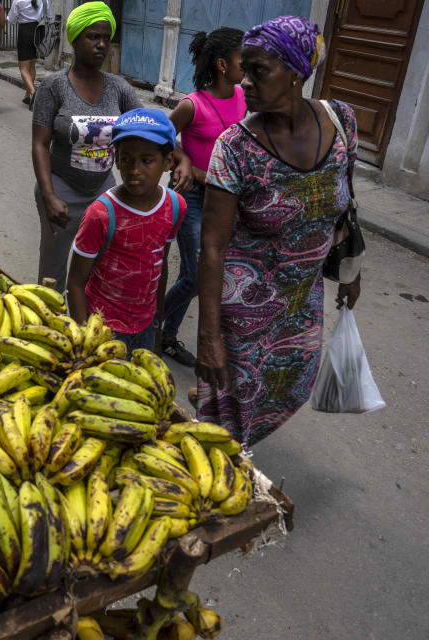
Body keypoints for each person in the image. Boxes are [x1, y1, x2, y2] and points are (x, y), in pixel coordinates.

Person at [195, 16, 360, 448]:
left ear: (295, 72)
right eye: (243, 70)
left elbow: (343, 208)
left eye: (258, 71)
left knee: (288, 387)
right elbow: (211, 247)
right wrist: (209, 337)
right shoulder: (234, 147)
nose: (244, 83)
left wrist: (350, 273)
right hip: (243, 310)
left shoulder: (342, 121)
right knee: (231, 416)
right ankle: (228, 477)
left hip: (301, 304)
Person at [160, 28, 246, 367]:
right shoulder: (191, 104)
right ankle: (150, 326)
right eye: (243, 59)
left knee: (211, 275)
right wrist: (185, 162)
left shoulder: (243, 95)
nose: (249, 67)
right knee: (197, 276)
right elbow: (162, 137)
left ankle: (165, 334)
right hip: (193, 197)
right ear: (223, 64)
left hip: (227, 200)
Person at [66, 109, 186, 351]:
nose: (135, 169)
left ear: (168, 162)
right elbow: (76, 283)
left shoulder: (175, 206)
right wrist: (84, 339)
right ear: (116, 159)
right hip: (102, 328)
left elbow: (159, 264)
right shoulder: (100, 214)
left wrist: (157, 323)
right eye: (126, 159)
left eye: (147, 160)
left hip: (146, 325)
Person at [7, 0, 51, 108]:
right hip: (39, 31)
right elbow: (49, 16)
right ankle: (27, 95)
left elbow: (11, 20)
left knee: (23, 68)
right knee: (32, 65)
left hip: (25, 32)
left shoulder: (18, 1)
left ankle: (33, 91)